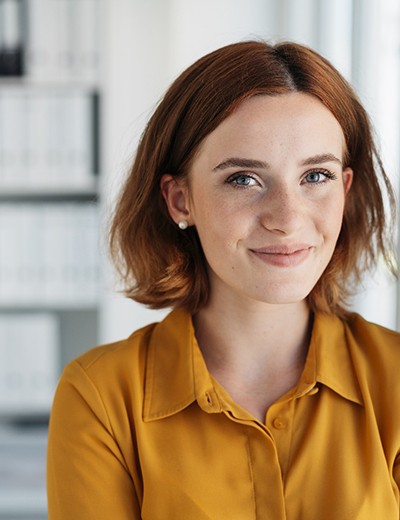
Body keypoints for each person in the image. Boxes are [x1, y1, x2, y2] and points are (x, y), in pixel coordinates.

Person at [47, 40, 400, 519]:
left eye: (316, 175)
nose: (287, 218)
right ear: (180, 201)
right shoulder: (101, 397)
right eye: (243, 180)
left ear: (346, 189)